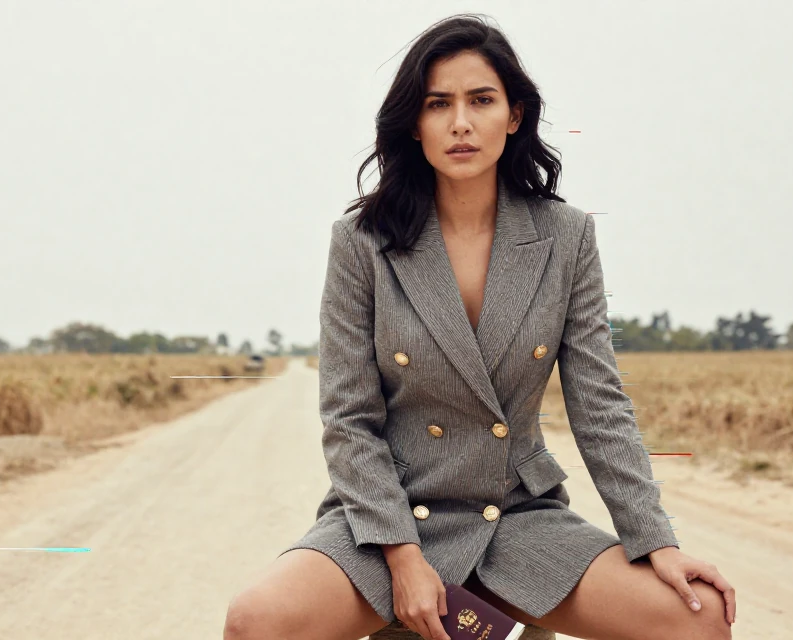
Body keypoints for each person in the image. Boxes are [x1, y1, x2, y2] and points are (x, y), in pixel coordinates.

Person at [225, 14, 735, 640]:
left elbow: (600, 405)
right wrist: (403, 558)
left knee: (699, 615)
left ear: (514, 115)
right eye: (438, 103)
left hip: (516, 516)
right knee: (255, 620)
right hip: (389, 518)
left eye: (481, 100)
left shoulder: (566, 236)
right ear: (415, 123)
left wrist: (656, 540)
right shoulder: (362, 241)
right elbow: (349, 419)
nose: (460, 122)